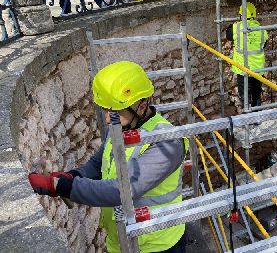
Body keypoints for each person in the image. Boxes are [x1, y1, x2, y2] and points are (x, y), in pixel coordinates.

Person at [27, 61, 189, 253]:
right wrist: (73, 175)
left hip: (158, 244)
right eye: (105, 110)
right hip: (121, 241)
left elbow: (122, 190)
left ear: (142, 107)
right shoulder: (120, 127)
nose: (106, 118)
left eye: (114, 112)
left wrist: (61, 186)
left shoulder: (167, 143)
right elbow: (98, 164)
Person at [226, 2, 268, 109]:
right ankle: (257, 118)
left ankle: (247, 121)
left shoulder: (236, 28)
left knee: (245, 96)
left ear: (241, 15)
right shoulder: (262, 30)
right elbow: (264, 44)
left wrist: (234, 24)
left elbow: (228, 35)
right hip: (258, 69)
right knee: (256, 94)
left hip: (243, 69)